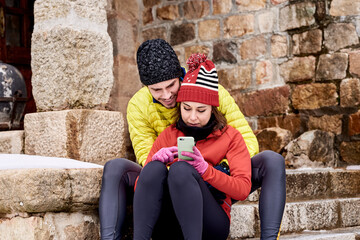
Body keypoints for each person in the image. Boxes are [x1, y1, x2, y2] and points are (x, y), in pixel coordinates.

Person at [99, 39, 286, 240]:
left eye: (171, 86)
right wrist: (164, 162)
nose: (167, 95)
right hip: (170, 181)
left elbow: (246, 139)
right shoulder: (141, 108)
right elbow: (146, 159)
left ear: (179, 76)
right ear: (147, 87)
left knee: (272, 160)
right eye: (156, 90)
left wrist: (213, 170)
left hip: (215, 183)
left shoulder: (211, 90)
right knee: (119, 168)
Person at [133, 54, 252, 240]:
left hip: (211, 223)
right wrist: (153, 162)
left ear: (212, 108)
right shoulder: (169, 134)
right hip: (169, 223)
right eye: (187, 108)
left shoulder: (231, 136)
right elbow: (141, 189)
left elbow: (243, 190)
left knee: (182, 169)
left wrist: (205, 170)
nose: (193, 117)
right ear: (179, 105)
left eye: (201, 110)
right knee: (155, 167)